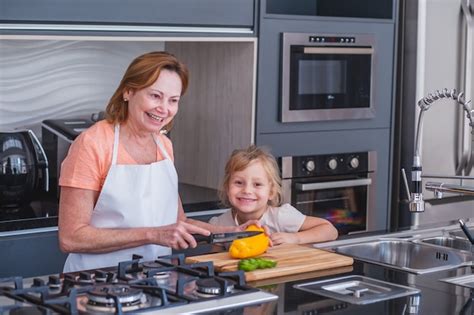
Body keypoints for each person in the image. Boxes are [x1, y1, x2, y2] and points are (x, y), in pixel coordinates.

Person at [58, 51, 256, 272]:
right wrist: (153, 234)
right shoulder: (93, 144)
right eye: (155, 96)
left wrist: (227, 233)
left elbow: (178, 222)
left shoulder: (164, 146)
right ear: (128, 91)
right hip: (96, 282)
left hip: (157, 278)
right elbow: (71, 237)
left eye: (173, 100)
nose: (164, 109)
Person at [209, 145, 339, 245]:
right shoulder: (220, 224)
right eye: (238, 182)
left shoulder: (280, 217)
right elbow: (216, 257)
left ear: (271, 192)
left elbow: (329, 230)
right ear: (227, 187)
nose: (247, 190)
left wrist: (295, 238)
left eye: (257, 184)